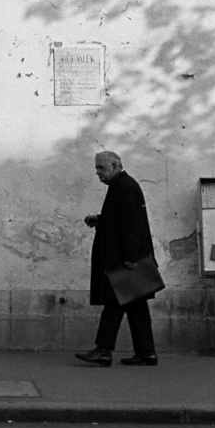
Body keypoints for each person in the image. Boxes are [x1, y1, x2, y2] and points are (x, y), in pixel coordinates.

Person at [75, 150, 158, 367]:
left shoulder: (125, 187)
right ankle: (146, 353)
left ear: (114, 165)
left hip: (125, 260)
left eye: (101, 168)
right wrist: (100, 220)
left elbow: (132, 224)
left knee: (114, 303)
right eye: (96, 168)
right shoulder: (122, 186)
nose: (97, 173)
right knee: (136, 305)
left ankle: (103, 351)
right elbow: (121, 219)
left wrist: (131, 258)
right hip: (128, 258)